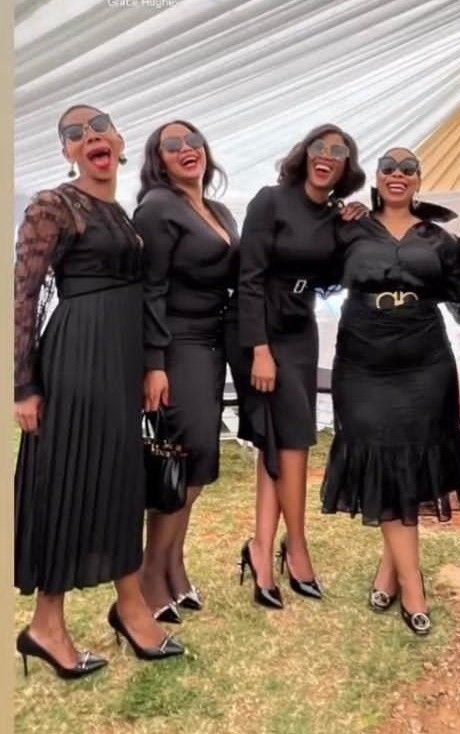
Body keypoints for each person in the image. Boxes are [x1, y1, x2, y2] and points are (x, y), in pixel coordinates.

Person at [13, 104, 183, 679]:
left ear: (119, 139)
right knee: (68, 483)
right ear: (67, 152)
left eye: (99, 127)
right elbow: (24, 295)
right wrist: (24, 385)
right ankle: (46, 625)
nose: (90, 137)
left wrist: (150, 363)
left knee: (119, 483)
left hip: (120, 360)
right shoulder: (54, 204)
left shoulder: (121, 213)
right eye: (75, 134)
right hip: (78, 359)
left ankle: (131, 607)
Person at [321, 147, 460, 635]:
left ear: (418, 180)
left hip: (425, 360)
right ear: (376, 178)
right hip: (363, 359)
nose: (398, 174)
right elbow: (312, 270)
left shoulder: (438, 238)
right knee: (381, 455)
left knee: (410, 459)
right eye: (388, 168)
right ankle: (413, 584)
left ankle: (394, 573)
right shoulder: (349, 228)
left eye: (408, 168)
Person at [229, 124, 366, 609]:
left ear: (346, 166)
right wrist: (259, 350)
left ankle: (262, 548)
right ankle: (296, 548)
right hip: (261, 331)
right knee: (286, 443)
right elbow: (248, 278)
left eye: (338, 151)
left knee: (287, 441)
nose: (327, 155)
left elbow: (334, 278)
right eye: (319, 147)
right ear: (305, 155)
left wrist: (351, 226)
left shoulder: (333, 215)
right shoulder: (271, 200)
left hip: (300, 330)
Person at [133, 121, 241, 623]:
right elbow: (149, 289)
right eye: (171, 146)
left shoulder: (218, 211)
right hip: (177, 344)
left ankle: (173, 566)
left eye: (192, 140)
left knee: (196, 461)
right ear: (159, 160)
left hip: (212, 342)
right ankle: (149, 576)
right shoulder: (157, 207)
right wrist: (154, 364)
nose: (185, 149)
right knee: (181, 461)